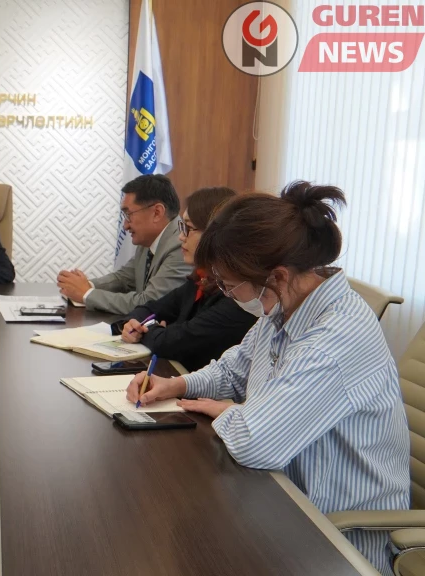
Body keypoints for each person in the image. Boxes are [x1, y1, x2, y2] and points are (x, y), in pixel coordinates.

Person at [127, 182, 409, 575]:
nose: (226, 294)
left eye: (229, 285)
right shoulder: (286, 305)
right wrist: (177, 385)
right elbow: (234, 368)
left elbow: (255, 442)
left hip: (335, 541)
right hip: (281, 501)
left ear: (275, 275)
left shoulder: (334, 339)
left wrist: (228, 411)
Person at [114, 187, 256, 371]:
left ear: (215, 234)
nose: (181, 237)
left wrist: (148, 329)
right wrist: (135, 325)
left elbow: (170, 343)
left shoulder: (238, 297)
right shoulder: (201, 279)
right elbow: (148, 308)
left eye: (188, 228)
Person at [57, 174, 189, 315]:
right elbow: (124, 279)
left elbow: (150, 302)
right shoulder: (149, 239)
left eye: (128, 214)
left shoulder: (181, 245)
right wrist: (85, 285)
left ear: (157, 212)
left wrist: (86, 294)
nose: (125, 226)